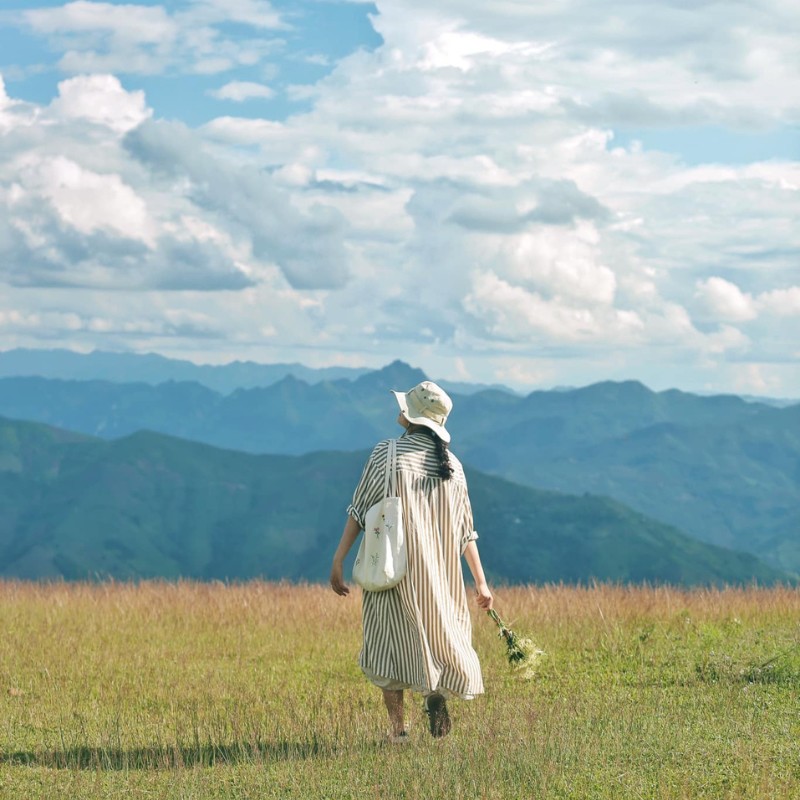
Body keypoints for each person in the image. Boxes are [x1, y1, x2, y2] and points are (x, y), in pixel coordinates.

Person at [330, 380, 493, 743]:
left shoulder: (386, 455)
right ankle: (434, 692)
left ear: (408, 414)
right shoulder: (453, 465)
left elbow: (360, 511)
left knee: (389, 644)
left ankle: (399, 731)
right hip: (440, 575)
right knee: (436, 636)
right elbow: (466, 529)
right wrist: (481, 582)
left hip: (395, 569)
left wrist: (339, 559)